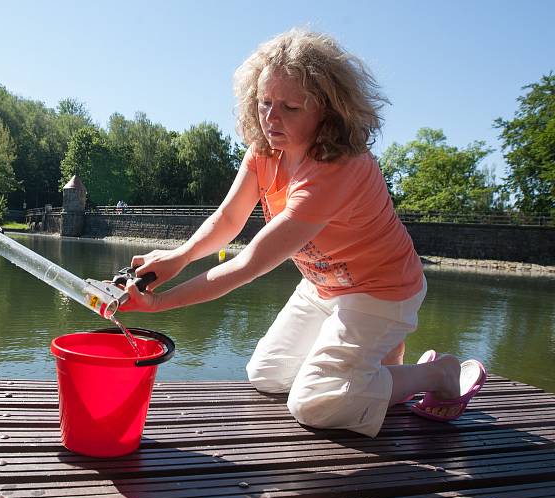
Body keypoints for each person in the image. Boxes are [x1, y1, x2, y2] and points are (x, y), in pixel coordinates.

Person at [119, 27, 485, 437]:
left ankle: (438, 375)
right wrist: (179, 256)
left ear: (328, 112)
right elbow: (228, 219)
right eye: (264, 102)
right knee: (266, 374)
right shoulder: (264, 149)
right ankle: (376, 366)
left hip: (382, 290)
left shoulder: (335, 168)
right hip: (322, 287)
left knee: (314, 403)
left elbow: (249, 264)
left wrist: (160, 303)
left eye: (290, 107)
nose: (271, 118)